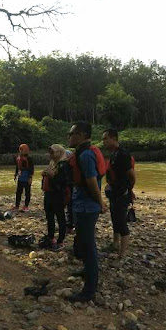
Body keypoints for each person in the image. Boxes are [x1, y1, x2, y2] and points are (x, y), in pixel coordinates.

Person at [67, 121, 107, 303]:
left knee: (88, 246)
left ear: (82, 135)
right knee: (84, 243)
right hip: (82, 205)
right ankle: (86, 271)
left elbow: (91, 182)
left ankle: (89, 289)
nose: (69, 136)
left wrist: (101, 203)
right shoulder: (83, 152)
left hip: (87, 207)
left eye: (72, 133)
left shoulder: (85, 155)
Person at [102, 128, 136, 258]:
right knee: (114, 219)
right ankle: (115, 244)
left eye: (106, 138)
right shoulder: (113, 154)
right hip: (114, 193)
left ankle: (122, 254)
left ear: (114, 139)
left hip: (122, 194)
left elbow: (132, 176)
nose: (103, 141)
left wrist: (128, 190)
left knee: (121, 222)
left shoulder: (122, 154)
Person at [39, 144, 71, 251]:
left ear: (59, 153)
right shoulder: (52, 163)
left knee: (60, 218)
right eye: (50, 152)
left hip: (58, 195)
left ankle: (61, 241)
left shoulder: (63, 165)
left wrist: (52, 176)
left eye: (53, 152)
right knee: (49, 216)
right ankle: (51, 237)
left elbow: (64, 182)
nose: (50, 154)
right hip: (48, 194)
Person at [12, 143, 34, 212]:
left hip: (27, 177)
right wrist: (15, 175)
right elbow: (17, 167)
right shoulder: (18, 158)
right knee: (18, 192)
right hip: (20, 177)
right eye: (21, 149)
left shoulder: (29, 158)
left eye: (23, 149)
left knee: (27, 192)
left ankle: (26, 206)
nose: (22, 151)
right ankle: (17, 205)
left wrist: (30, 177)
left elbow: (32, 168)